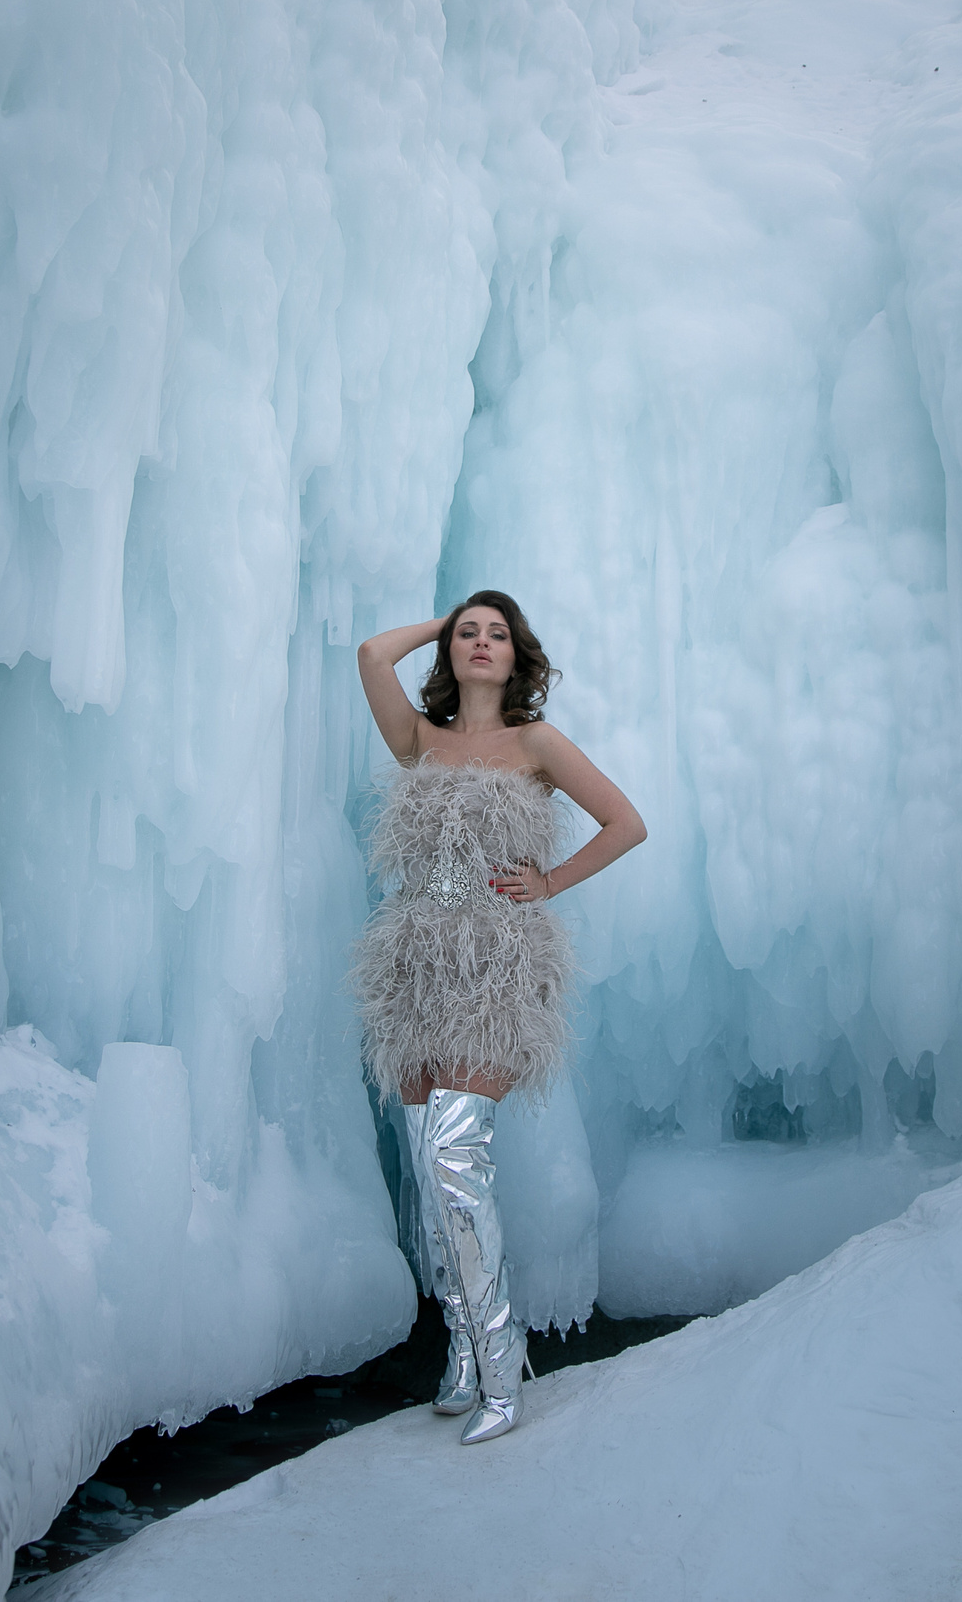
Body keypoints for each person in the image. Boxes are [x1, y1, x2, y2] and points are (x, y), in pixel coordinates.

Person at [352, 590, 646, 1444]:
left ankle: (502, 1361)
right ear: (451, 651)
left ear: (520, 655)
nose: (482, 643)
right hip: (413, 965)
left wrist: (550, 882)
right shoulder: (419, 738)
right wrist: (442, 619)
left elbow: (625, 822)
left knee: (455, 1151)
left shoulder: (536, 743)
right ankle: (458, 1350)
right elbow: (374, 656)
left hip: (501, 965)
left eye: (498, 634)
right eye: (468, 633)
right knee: (426, 1168)